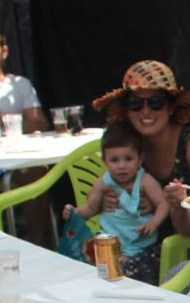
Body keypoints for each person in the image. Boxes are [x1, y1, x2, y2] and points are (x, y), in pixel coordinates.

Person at [91, 60, 190, 281]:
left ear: (170, 107)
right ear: (127, 110)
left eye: (156, 102)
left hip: (187, 247)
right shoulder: (130, 145)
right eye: (136, 104)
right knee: (88, 268)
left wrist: (175, 205)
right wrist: (109, 200)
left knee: (119, 276)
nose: (146, 111)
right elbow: (106, 186)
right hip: (136, 240)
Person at [64, 122, 169, 284]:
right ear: (105, 161)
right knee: (89, 272)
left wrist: (154, 223)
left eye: (128, 159)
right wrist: (74, 212)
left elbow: (163, 203)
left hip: (141, 246)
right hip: (109, 245)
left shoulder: (145, 181)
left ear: (140, 159)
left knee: (132, 276)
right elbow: (91, 207)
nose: (122, 166)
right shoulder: (104, 182)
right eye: (114, 160)